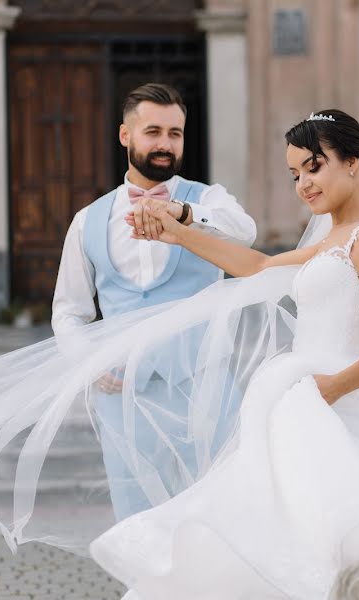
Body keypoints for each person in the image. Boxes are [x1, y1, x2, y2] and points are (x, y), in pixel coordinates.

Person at [91, 109, 359, 599]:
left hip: (343, 402)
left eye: (314, 167)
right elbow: (259, 266)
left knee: (346, 546)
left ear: (353, 162)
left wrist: (333, 387)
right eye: (295, 174)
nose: (304, 184)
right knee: (287, 536)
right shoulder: (333, 237)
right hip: (301, 401)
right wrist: (180, 235)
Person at [53, 82, 256, 520]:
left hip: (203, 386)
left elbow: (246, 232)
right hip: (124, 397)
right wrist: (89, 361)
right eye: (153, 132)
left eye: (175, 134)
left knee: (220, 513)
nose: (165, 144)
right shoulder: (87, 220)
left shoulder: (208, 201)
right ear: (126, 136)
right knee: (138, 518)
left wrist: (183, 215)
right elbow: (69, 310)